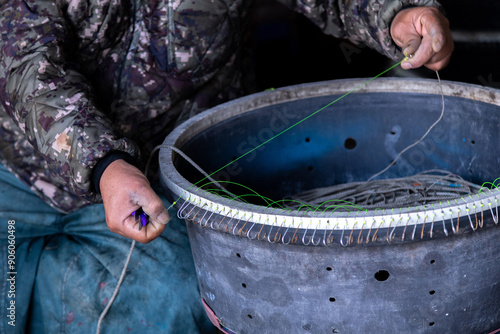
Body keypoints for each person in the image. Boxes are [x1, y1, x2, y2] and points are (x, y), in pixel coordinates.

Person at [0, 0, 452, 333]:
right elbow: (23, 64)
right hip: (22, 168)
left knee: (181, 297)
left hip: (169, 177)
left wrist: (396, 15)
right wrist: (106, 165)